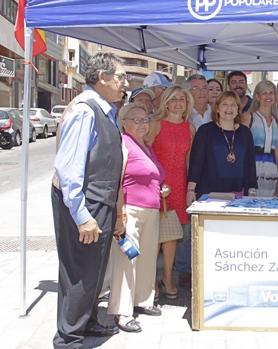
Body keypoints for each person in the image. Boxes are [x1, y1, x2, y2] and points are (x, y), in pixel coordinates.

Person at [51, 52, 128, 348]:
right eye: (121, 77)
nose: (125, 83)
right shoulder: (84, 110)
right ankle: (68, 338)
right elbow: (69, 169)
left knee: (94, 269)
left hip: (101, 199)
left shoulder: (105, 109)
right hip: (84, 202)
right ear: (102, 78)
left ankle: (88, 322)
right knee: (79, 273)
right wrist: (82, 215)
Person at [108, 103, 166, 333]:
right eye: (137, 119)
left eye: (145, 119)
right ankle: (122, 312)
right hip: (130, 209)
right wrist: (119, 215)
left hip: (151, 209)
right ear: (124, 122)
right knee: (126, 260)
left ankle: (142, 299)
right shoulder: (123, 144)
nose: (143, 123)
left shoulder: (146, 146)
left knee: (147, 258)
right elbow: (117, 181)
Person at [148, 86, 196, 296]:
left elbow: (188, 161)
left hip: (179, 185)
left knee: (172, 236)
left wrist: (189, 188)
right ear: (166, 102)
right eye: (174, 99)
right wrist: (156, 183)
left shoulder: (190, 128)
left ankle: (167, 279)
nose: (178, 103)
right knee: (153, 235)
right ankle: (150, 280)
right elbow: (146, 155)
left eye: (182, 100)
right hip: (158, 184)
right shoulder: (156, 125)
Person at [187, 91, 258, 198]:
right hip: (209, 194)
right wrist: (191, 190)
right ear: (217, 108)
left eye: (233, 105)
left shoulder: (245, 133)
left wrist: (252, 190)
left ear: (238, 109)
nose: (229, 108)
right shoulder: (205, 131)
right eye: (225, 104)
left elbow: (250, 164)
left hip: (239, 193)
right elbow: (196, 162)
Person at [241, 80, 278, 197]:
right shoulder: (249, 117)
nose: (268, 96)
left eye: (271, 93)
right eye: (264, 93)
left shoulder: (277, 120)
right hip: (252, 168)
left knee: (269, 207)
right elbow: (241, 148)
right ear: (257, 97)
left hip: (272, 170)